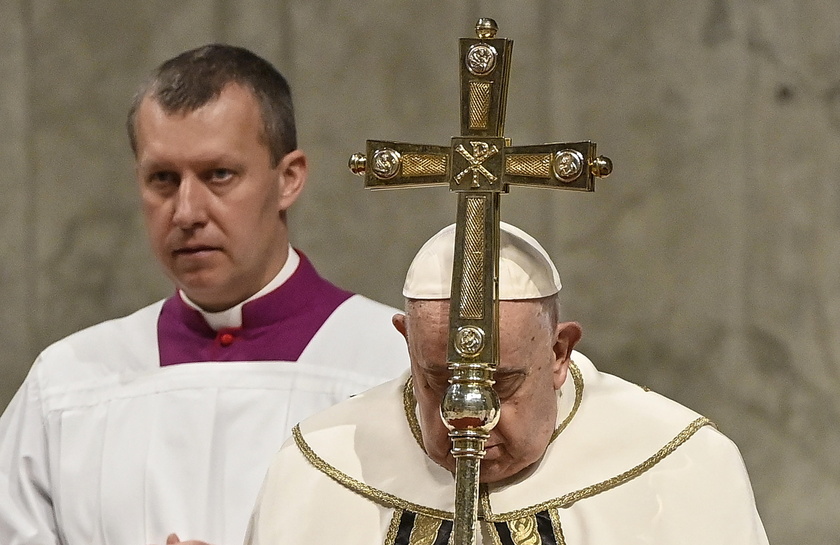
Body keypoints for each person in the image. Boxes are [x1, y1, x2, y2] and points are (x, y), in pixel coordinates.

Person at [0, 44, 408, 545]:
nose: (187, 211)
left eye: (219, 175)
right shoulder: (67, 385)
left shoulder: (396, 367)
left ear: (288, 179)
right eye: (162, 180)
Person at [245, 222, 770, 545]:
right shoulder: (316, 471)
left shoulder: (683, 467)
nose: (469, 415)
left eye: (502, 384)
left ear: (560, 351)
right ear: (405, 341)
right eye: (440, 380)